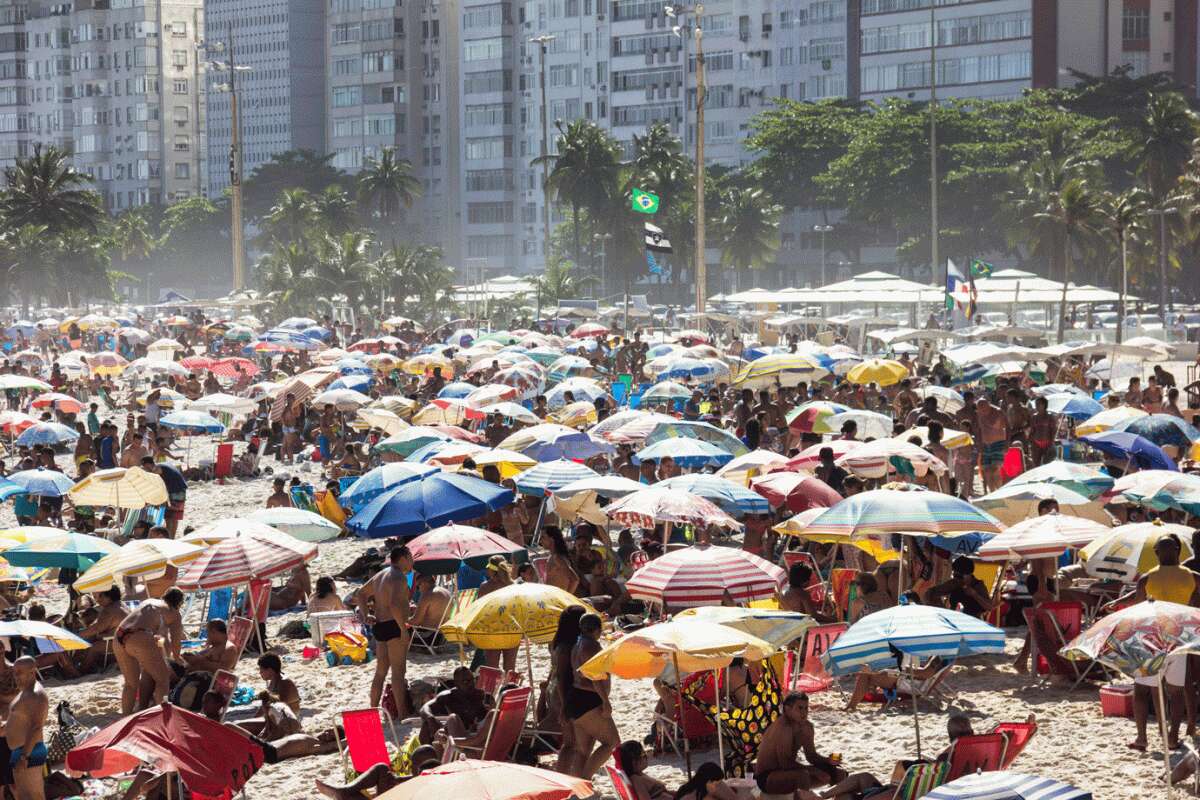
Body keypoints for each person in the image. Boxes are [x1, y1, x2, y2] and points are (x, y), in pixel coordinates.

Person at [754, 692, 872, 799]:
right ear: (787, 709)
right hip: (767, 777)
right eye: (800, 708)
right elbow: (785, 763)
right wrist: (813, 771)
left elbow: (811, 756)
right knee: (803, 776)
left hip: (788, 772)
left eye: (806, 708)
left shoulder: (807, 727)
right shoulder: (783, 727)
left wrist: (828, 761)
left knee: (839, 773)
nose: (804, 712)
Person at [360, 545, 413, 718]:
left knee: (381, 672)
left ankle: (372, 711)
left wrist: (366, 614)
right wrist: (403, 630)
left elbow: (360, 593)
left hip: (380, 626)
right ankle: (403, 714)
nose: (412, 561)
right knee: (398, 672)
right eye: (411, 557)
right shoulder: (398, 577)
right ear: (404, 557)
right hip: (393, 625)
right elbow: (395, 605)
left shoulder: (380, 575)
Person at [113, 588, 185, 714]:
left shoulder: (150, 601)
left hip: (120, 634)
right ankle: (160, 716)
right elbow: (176, 643)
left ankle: (125, 718)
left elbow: (157, 637)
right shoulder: (174, 614)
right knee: (163, 680)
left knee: (130, 684)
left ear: (165, 596)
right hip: (140, 636)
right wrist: (178, 659)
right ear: (179, 604)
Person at [567, 613, 619, 778]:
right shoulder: (591, 646)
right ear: (597, 630)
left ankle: (578, 787)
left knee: (583, 750)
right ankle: (585, 779)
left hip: (576, 697)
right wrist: (605, 701)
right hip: (588, 700)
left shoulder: (577, 643)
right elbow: (595, 677)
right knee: (611, 742)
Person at [5, 657, 48, 800]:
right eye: (14, 672)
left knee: (33, 796)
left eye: (19, 672)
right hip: (22, 750)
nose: (15, 676)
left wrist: (24, 757)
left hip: (29, 751)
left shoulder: (35, 694)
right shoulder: (26, 691)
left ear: (32, 672)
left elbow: (36, 727)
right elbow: (22, 721)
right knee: (24, 796)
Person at [417, 666, 488, 744]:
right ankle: (428, 753)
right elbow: (424, 708)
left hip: (474, 736)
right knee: (426, 724)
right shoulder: (449, 696)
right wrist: (430, 718)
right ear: (456, 683)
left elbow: (491, 720)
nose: (470, 684)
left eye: (472, 680)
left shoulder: (481, 696)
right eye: (465, 681)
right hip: (453, 733)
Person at [925, 557, 993, 618]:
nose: (957, 579)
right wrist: (942, 609)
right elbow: (932, 592)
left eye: (959, 576)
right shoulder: (955, 583)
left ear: (969, 574)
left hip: (973, 623)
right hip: (954, 620)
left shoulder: (978, 586)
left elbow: (989, 607)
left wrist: (975, 594)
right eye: (955, 575)